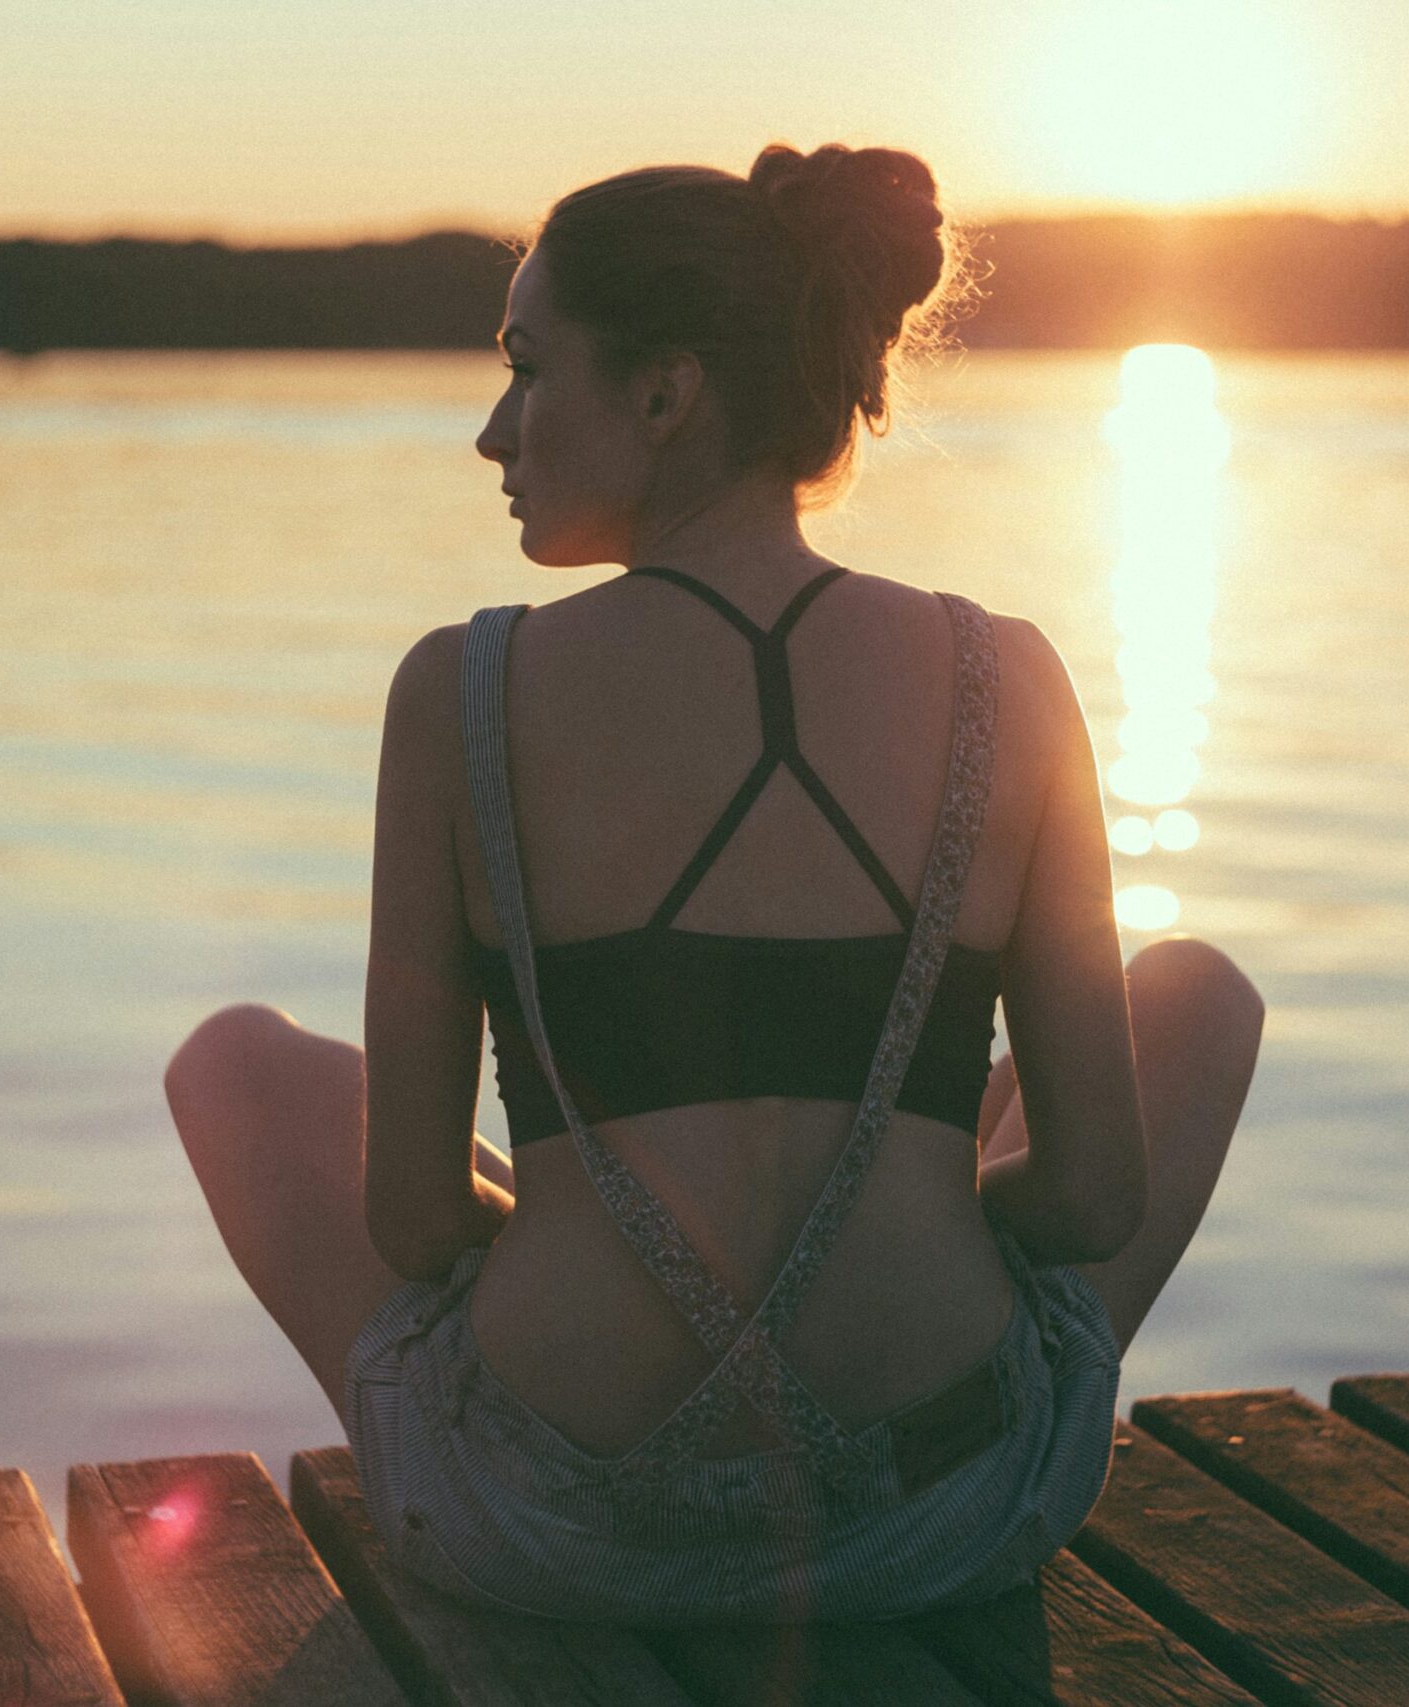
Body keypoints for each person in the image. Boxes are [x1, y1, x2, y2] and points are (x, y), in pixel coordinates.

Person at [165, 141, 1265, 1625]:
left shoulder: (461, 693)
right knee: (1196, 992)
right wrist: (906, 1196)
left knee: (233, 1066)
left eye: (527, 367)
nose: (494, 431)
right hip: (942, 1505)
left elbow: (416, 1225)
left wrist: (584, 1227)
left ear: (668, 391)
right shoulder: (1013, 677)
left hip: (557, 1525)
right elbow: (1088, 1198)